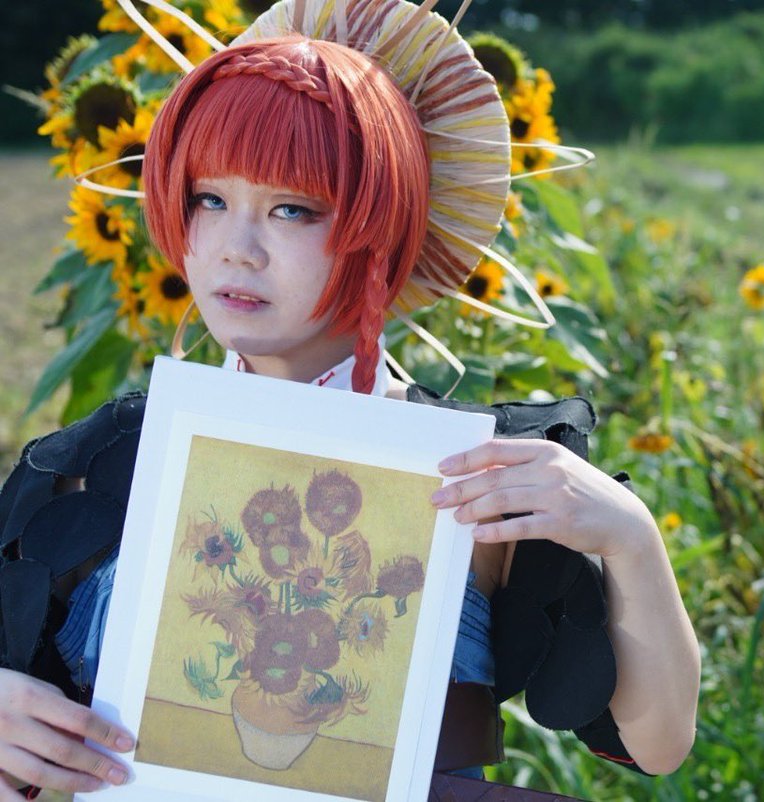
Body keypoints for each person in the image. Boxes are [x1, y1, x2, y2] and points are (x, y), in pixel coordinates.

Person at [0, 0, 700, 797]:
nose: (236, 248)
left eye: (291, 209)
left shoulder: (481, 476)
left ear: (383, 226)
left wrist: (632, 539)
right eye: (208, 199)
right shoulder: (95, 469)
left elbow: (655, 743)